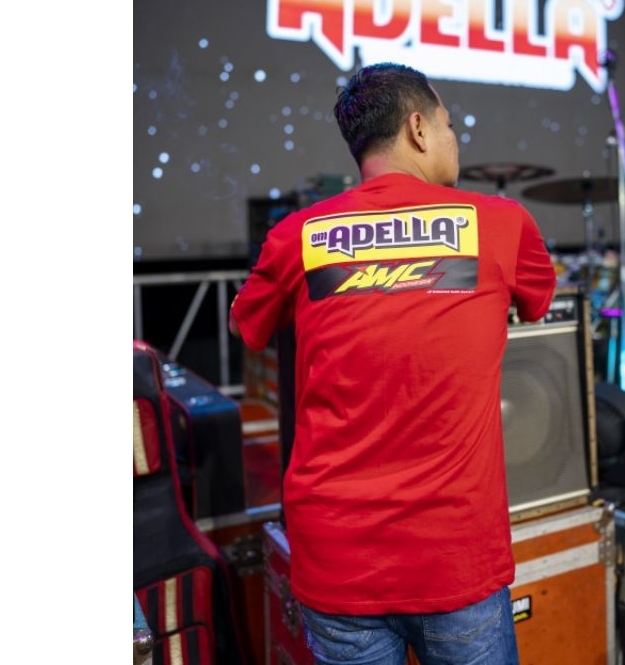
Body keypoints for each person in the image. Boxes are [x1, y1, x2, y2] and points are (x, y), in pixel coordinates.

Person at [229, 62, 557, 665]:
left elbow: (244, 326)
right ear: (418, 129)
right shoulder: (501, 223)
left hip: (336, 561)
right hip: (454, 559)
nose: (454, 139)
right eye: (449, 125)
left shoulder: (296, 236)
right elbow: (537, 303)